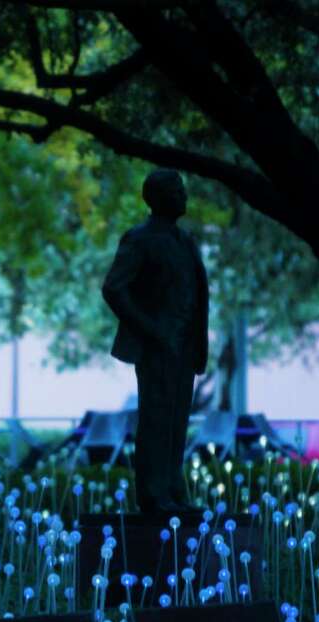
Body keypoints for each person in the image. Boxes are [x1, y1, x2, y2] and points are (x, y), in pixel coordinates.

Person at [102, 169, 210, 513]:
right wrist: (151, 329)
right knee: (156, 418)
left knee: (177, 419)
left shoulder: (185, 241)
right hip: (157, 344)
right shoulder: (139, 238)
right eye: (176, 190)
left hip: (184, 345)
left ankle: (173, 488)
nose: (184, 196)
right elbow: (114, 288)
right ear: (157, 197)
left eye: (183, 189)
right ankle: (153, 494)